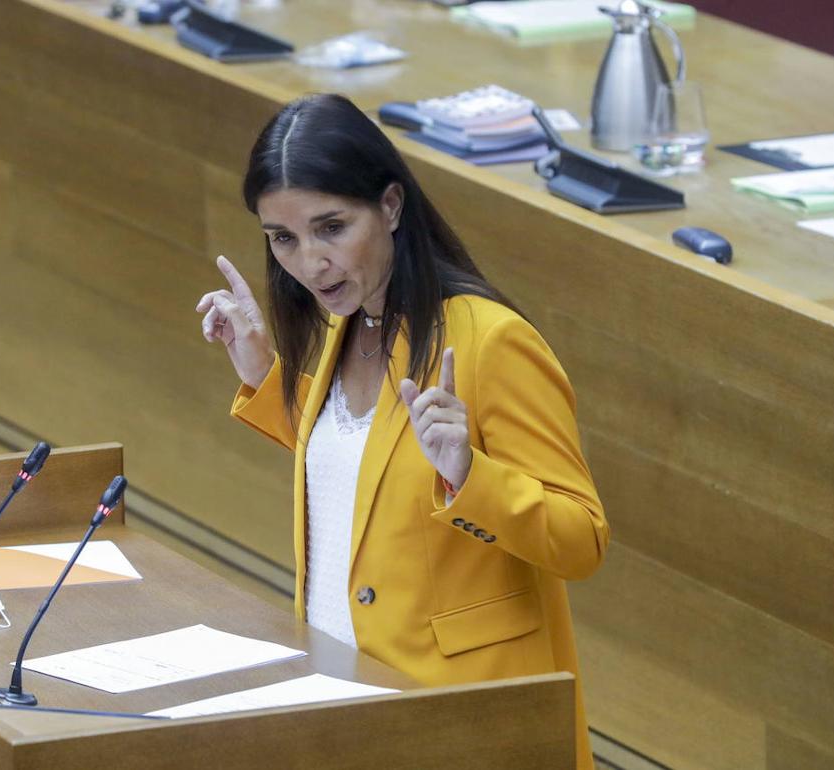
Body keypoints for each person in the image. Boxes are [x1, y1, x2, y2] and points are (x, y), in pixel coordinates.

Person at [195, 93, 609, 769]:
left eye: (332, 228)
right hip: (345, 698)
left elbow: (582, 539)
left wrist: (471, 475)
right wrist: (266, 373)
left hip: (460, 720)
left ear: (390, 206)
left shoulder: (491, 342)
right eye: (283, 238)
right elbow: (367, 468)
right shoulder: (345, 322)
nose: (309, 263)